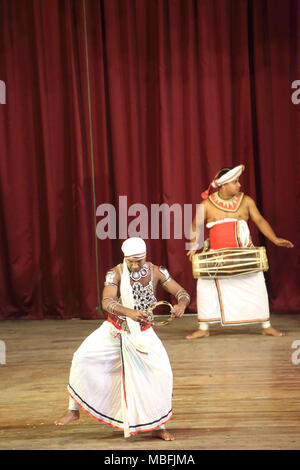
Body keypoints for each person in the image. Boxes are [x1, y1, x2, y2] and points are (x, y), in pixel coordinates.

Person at [55, 237, 190, 441]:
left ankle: (159, 425)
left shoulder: (157, 271)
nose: (135, 266)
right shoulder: (115, 273)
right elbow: (107, 302)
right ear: (124, 258)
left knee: (162, 375)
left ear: (146, 257)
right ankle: (74, 410)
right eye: (131, 262)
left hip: (143, 331)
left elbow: (182, 292)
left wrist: (181, 305)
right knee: (81, 357)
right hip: (114, 329)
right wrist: (130, 312)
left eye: (139, 261)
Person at [186, 165, 294, 339]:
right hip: (216, 257)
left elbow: (259, 220)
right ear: (224, 184)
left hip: (243, 255)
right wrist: (193, 245)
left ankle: (266, 325)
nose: (239, 185)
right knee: (205, 287)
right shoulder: (206, 205)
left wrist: (275, 239)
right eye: (235, 182)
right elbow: (195, 226)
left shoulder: (246, 201)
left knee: (257, 285)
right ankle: (203, 328)